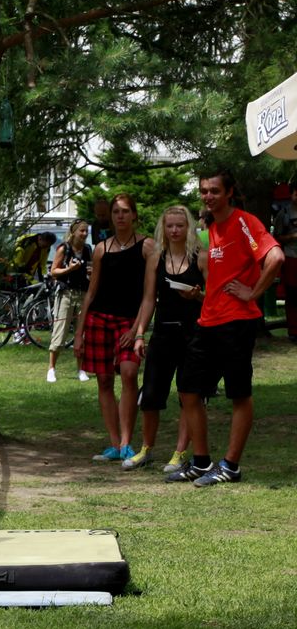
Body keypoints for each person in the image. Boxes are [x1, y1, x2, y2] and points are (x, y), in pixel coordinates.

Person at [167, 170, 283, 486]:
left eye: (215, 191)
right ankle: (202, 462)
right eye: (204, 191)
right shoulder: (213, 228)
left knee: (238, 394)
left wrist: (253, 292)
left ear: (229, 192)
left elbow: (275, 257)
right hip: (208, 320)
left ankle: (230, 466)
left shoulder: (244, 222)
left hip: (237, 323)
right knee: (189, 389)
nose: (208, 196)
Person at [74, 193, 154, 463]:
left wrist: (137, 330)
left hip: (129, 321)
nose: (120, 216)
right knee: (104, 380)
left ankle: (127, 441)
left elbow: (149, 294)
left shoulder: (147, 246)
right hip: (99, 319)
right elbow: (91, 292)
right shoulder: (101, 249)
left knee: (130, 373)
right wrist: (78, 334)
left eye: (125, 211)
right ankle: (114, 444)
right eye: (116, 212)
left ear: (134, 215)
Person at [127, 206, 207, 472]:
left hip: (192, 333)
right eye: (170, 226)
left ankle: (179, 452)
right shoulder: (155, 258)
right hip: (163, 331)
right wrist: (140, 334)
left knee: (189, 396)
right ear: (163, 228)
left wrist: (197, 296)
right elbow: (149, 298)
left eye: (180, 226)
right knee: (150, 394)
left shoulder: (201, 258)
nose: (174, 231)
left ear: (189, 228)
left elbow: (214, 299)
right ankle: (146, 449)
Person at [46, 220, 92, 383]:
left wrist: (90, 271)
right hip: (66, 293)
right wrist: (69, 269)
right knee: (60, 331)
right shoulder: (63, 248)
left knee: (82, 333)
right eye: (82, 231)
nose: (85, 234)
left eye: (86, 231)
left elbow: (90, 268)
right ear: (74, 232)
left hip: (83, 293)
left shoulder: (87, 249)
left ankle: (81, 369)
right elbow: (54, 272)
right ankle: (51, 369)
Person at [272, 184, 297, 342]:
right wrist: (293, 237)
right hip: (291, 257)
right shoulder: (284, 213)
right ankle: (294, 331)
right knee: (293, 294)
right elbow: (277, 237)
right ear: (291, 195)